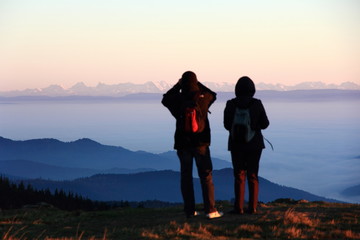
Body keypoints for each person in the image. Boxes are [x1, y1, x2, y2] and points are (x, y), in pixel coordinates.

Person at [162, 71, 223, 219]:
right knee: (206, 176)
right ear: (195, 82)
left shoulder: (178, 99)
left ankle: (190, 211)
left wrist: (178, 85)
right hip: (201, 144)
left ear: (183, 83)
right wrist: (198, 85)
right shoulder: (203, 98)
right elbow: (213, 94)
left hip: (183, 144)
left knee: (186, 177)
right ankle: (210, 210)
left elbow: (165, 99)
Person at [223, 76, 269, 214]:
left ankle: (238, 208)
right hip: (255, 144)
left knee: (239, 175)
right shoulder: (257, 104)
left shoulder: (231, 104)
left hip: (236, 145)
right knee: (253, 175)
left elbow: (226, 125)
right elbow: (265, 124)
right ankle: (253, 207)